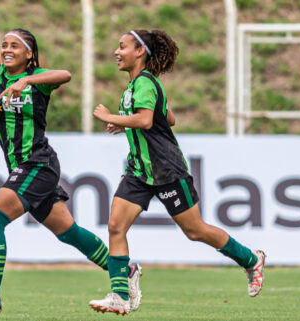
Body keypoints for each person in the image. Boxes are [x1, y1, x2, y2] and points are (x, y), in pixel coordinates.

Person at [0, 28, 141, 315]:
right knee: (68, 233)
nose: (7, 49)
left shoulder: (39, 81)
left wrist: (27, 80)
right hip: (22, 167)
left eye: (15, 46)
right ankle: (125, 268)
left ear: (29, 54)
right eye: (3, 45)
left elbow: (65, 75)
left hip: (38, 163)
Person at [88, 29, 266, 315]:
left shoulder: (145, 83)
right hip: (139, 170)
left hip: (167, 170)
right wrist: (125, 124)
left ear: (140, 52)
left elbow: (147, 120)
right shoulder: (137, 86)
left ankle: (250, 259)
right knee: (115, 226)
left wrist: (113, 117)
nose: (116, 52)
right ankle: (120, 294)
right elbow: (167, 117)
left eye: (122, 47)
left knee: (195, 231)